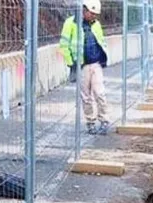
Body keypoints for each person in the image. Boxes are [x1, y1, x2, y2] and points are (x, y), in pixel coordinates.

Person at [59, 0, 110, 135]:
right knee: (86, 96)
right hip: (82, 65)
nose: (94, 16)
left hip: (96, 64)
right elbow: (64, 45)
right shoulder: (71, 23)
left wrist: (103, 57)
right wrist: (71, 63)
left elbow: (101, 41)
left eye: (95, 14)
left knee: (100, 92)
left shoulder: (96, 25)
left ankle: (104, 120)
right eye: (92, 13)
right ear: (85, 10)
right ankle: (90, 122)